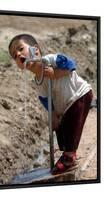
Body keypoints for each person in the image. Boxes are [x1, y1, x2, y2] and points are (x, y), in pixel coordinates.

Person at [8, 34, 93, 174]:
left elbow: (71, 64)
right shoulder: (38, 80)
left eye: (20, 49)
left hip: (79, 95)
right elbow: (44, 98)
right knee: (61, 128)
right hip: (65, 105)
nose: (18, 54)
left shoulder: (51, 60)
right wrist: (52, 114)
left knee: (72, 126)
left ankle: (69, 158)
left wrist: (55, 73)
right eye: (14, 55)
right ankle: (67, 152)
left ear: (35, 50)